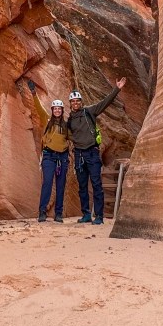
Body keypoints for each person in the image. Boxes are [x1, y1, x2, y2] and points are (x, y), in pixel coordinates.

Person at [67, 77, 126, 225]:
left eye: (77, 101)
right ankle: (86, 214)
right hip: (79, 155)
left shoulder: (89, 112)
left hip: (92, 153)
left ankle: (98, 216)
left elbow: (105, 103)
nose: (75, 103)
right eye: (73, 102)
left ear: (81, 102)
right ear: (70, 104)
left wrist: (117, 89)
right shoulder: (69, 121)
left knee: (96, 184)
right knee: (82, 186)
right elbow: (65, 135)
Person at [27, 79, 70, 223]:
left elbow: (72, 139)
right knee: (47, 183)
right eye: (55, 109)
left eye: (59, 109)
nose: (57, 110)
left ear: (62, 110)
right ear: (52, 110)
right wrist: (34, 93)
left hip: (62, 157)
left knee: (60, 185)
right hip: (49, 156)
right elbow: (38, 106)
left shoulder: (66, 125)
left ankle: (58, 213)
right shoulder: (46, 119)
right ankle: (42, 212)